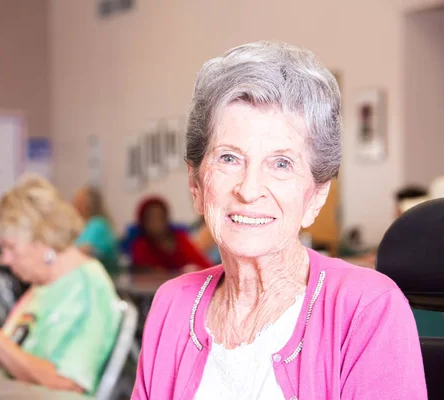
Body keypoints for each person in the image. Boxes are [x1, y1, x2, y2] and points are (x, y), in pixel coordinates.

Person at [133, 41, 426, 399]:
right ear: (195, 184)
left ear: (316, 196)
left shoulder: (367, 308)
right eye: (229, 158)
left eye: (281, 163)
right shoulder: (172, 304)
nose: (249, 189)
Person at [0, 174, 121, 395]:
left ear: (43, 239)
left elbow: (67, 384)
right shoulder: (43, 285)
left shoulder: (89, 287)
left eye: (10, 247)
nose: (5, 259)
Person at [131, 196, 211, 272]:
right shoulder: (141, 246)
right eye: (151, 218)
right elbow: (145, 275)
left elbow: (203, 264)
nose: (156, 222)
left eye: (160, 217)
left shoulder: (180, 239)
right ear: (143, 222)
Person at [73, 186, 120, 275]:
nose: (73, 204)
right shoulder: (82, 225)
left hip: (102, 276)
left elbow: (85, 250)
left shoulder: (98, 224)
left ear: (88, 204)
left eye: (78, 200)